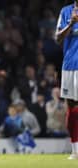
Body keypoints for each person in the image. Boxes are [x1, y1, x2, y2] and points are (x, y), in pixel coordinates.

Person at [55, 0, 78, 159]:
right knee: (71, 107)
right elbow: (57, 38)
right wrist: (71, 24)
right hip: (70, 65)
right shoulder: (66, 11)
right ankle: (75, 150)